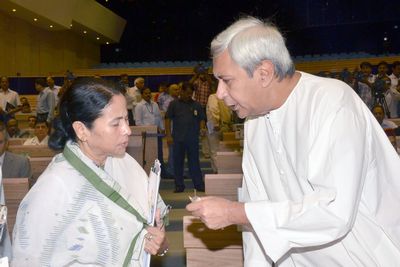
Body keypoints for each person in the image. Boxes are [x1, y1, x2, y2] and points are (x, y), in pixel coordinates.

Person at [186, 17, 400, 266]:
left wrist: (235, 212)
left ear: (264, 73)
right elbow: (258, 217)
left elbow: (333, 212)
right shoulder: (255, 122)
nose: (220, 93)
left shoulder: (332, 103)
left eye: (227, 80)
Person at [12, 77, 169, 266]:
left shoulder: (125, 162)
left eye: (127, 119)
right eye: (116, 123)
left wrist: (160, 244)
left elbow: (155, 235)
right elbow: (28, 259)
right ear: (81, 130)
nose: (127, 130)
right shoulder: (54, 188)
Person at [165, 82, 206, 193]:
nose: (189, 95)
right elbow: (167, 119)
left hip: (192, 139)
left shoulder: (196, 105)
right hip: (178, 139)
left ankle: (198, 185)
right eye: (187, 93)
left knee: (194, 162)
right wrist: (168, 135)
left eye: (191, 93)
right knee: (178, 163)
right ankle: (179, 185)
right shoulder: (173, 104)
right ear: (181, 91)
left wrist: (202, 128)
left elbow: (202, 118)